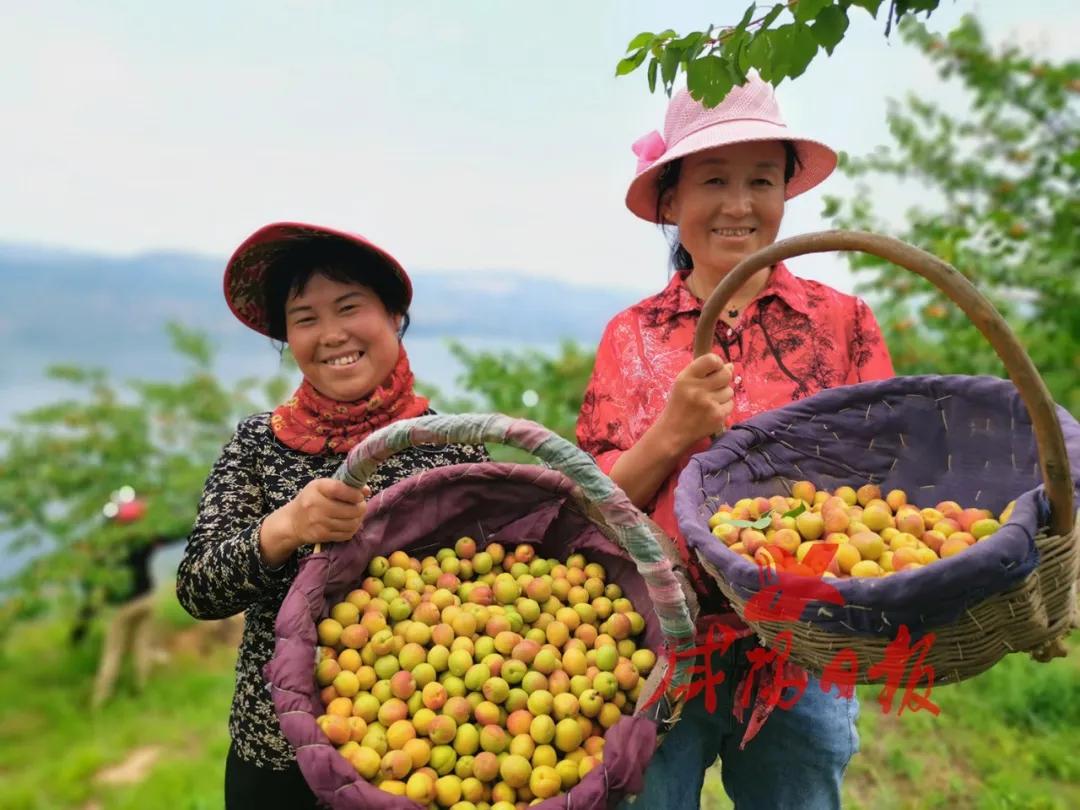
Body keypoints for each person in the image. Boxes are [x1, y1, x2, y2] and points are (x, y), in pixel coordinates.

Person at [577, 75, 894, 809]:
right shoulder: (631, 339)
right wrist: (672, 432)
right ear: (672, 200)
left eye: (761, 180)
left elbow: (885, 479)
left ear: (787, 192)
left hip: (806, 651)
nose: (739, 204)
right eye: (714, 180)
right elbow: (595, 506)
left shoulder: (842, 324)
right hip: (657, 643)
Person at [176, 223, 488, 809]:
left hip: (415, 756)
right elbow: (198, 590)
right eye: (305, 317)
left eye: (350, 307)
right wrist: (286, 527)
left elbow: (490, 591)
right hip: (277, 756)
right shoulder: (256, 445)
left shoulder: (451, 448)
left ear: (394, 314)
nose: (332, 334)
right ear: (287, 337)